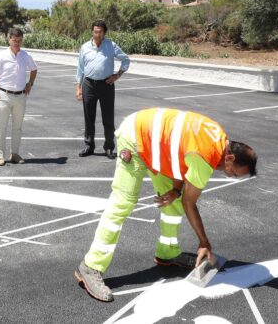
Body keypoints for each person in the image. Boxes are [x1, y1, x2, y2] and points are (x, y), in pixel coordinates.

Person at [74, 108, 257, 302]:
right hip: (135, 137)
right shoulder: (205, 155)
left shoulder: (220, 139)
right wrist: (204, 242)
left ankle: (167, 252)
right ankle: (91, 266)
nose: (231, 177)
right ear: (229, 158)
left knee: (172, 201)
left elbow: (181, 157)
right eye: (235, 173)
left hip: (157, 145)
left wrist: (176, 190)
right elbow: (190, 202)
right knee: (123, 202)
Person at [75, 20, 131, 159]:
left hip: (106, 85)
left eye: (100, 32)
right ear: (92, 32)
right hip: (88, 84)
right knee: (89, 117)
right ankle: (89, 146)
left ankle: (109, 147)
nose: (97, 34)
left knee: (108, 118)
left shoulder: (111, 46)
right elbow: (80, 68)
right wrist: (78, 87)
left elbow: (126, 60)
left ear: (104, 33)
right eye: (95, 31)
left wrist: (117, 75)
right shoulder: (85, 47)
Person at [0, 28, 39, 166]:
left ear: (22, 40)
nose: (16, 43)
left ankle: (15, 154)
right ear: (9, 39)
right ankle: (0, 156)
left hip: (20, 97)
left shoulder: (25, 55)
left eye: (19, 40)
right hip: (4, 95)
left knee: (17, 127)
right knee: (1, 127)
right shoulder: (1, 55)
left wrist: (30, 83)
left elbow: (34, 69)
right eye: (14, 40)